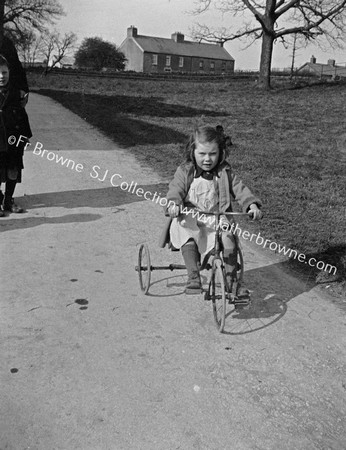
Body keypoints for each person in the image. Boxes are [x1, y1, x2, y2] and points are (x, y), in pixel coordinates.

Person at [159, 125, 262, 294]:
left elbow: (239, 189)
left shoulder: (225, 172)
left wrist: (251, 205)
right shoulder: (185, 171)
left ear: (220, 153)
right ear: (193, 152)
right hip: (189, 216)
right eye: (202, 154)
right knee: (187, 236)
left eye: (212, 154)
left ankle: (232, 280)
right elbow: (175, 189)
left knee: (228, 237)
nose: (207, 159)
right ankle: (193, 276)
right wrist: (174, 204)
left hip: (216, 217)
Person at [0, 54, 32, 216]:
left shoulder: (16, 94)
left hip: (13, 138)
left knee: (13, 169)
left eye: (4, 73)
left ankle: (8, 200)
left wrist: (25, 136)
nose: (1, 77)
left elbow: (22, 115)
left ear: (9, 73)